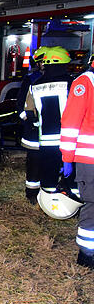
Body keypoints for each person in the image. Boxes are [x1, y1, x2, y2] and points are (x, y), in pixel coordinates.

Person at [23, 46, 74, 194]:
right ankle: (71, 204)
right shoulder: (72, 83)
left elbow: (29, 110)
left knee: (48, 173)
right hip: (68, 139)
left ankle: (49, 202)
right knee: (70, 174)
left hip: (45, 139)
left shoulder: (35, 85)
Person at [60, 54, 94, 268]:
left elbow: (71, 122)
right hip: (89, 157)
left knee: (92, 204)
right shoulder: (86, 82)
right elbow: (72, 123)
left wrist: (67, 158)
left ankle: (87, 253)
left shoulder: (84, 82)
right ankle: (87, 253)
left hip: (88, 157)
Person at [18, 47, 47, 201]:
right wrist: (28, 120)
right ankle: (32, 195)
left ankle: (46, 193)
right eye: (42, 61)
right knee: (34, 164)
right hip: (34, 132)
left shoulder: (55, 78)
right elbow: (20, 103)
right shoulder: (31, 79)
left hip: (49, 131)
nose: (44, 64)